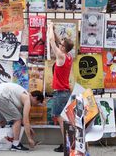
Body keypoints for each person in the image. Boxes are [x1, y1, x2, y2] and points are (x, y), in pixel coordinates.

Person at [0, 83, 44, 151]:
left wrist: (29, 128)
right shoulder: (27, 99)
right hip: (2, 96)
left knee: (2, 122)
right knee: (17, 119)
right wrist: (30, 139)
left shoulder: (22, 95)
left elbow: (25, 120)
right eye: (37, 103)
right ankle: (16, 144)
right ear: (35, 98)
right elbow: (25, 120)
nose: (35, 105)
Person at [47, 22, 74, 153]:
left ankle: (67, 144)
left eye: (62, 44)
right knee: (64, 119)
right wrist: (56, 33)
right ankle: (68, 142)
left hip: (60, 93)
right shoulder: (68, 56)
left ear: (63, 48)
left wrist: (49, 27)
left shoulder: (61, 56)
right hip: (65, 92)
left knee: (60, 118)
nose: (60, 45)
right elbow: (58, 42)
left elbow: (52, 40)